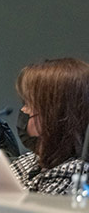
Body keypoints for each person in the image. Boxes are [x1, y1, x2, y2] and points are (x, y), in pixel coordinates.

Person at [10, 58, 89, 195]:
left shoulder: (75, 175)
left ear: (56, 113)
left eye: (29, 104)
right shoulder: (30, 160)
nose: (23, 110)